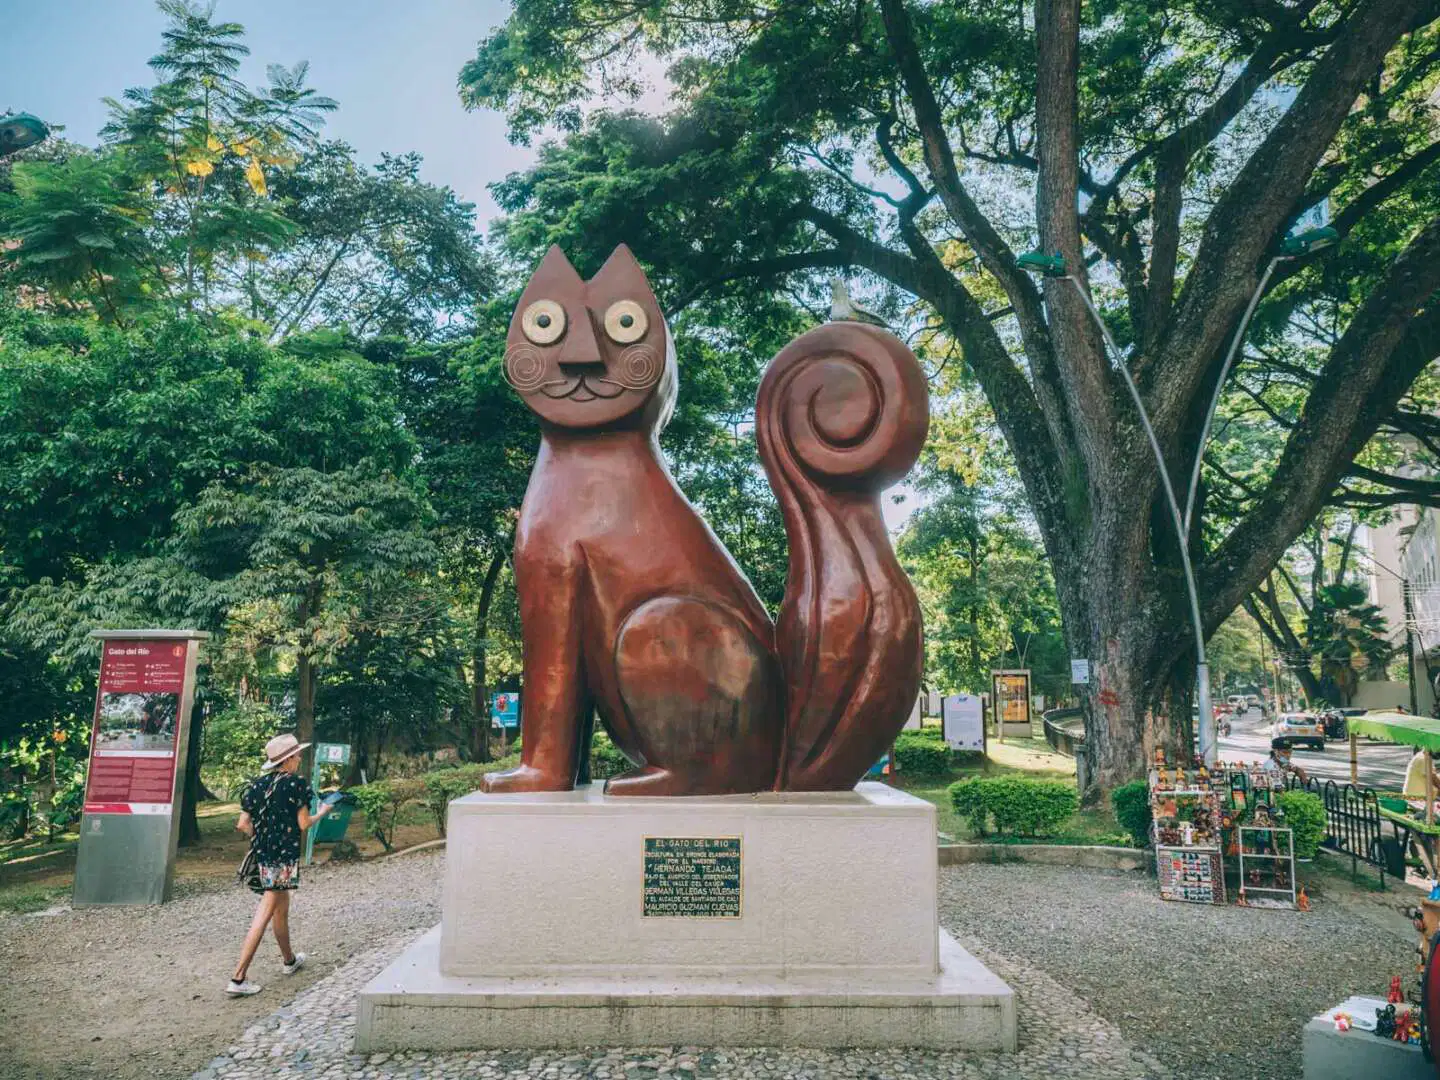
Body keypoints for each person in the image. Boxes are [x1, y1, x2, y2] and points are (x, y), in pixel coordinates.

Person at [226, 733, 334, 997]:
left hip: (264, 856)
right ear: (287, 760)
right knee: (264, 913)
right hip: (283, 858)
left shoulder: (256, 786)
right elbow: (304, 824)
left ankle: (289, 960)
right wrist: (324, 812)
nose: (299, 759)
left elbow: (242, 824)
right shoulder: (297, 785)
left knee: (280, 910)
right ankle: (238, 978)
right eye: (296, 755)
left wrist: (262, 838)